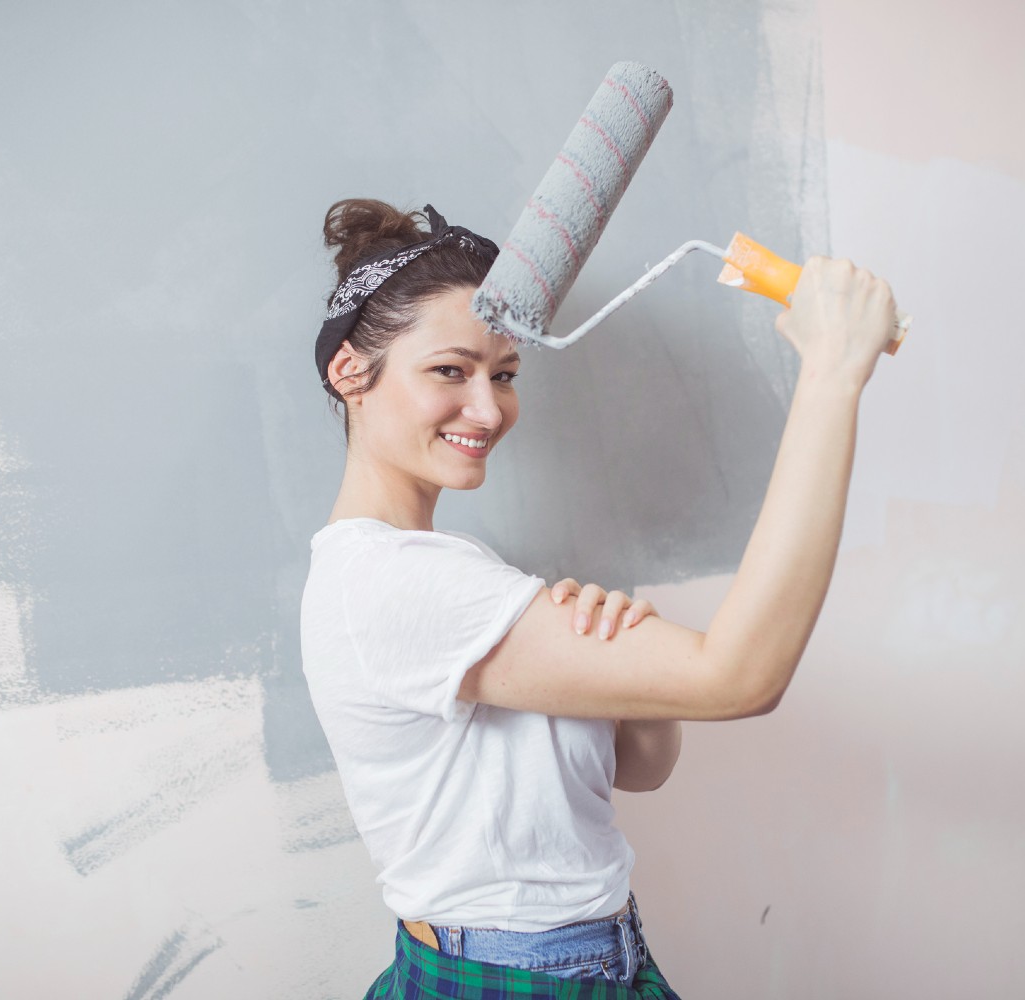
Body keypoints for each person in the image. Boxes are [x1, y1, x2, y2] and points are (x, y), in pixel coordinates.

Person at [300, 199, 898, 998]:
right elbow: (741, 678)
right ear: (350, 372)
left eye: (504, 375)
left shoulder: (453, 570)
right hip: (512, 978)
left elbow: (642, 767)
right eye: (450, 370)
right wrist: (832, 374)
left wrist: (632, 658)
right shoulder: (395, 581)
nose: (488, 408)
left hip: (600, 956)